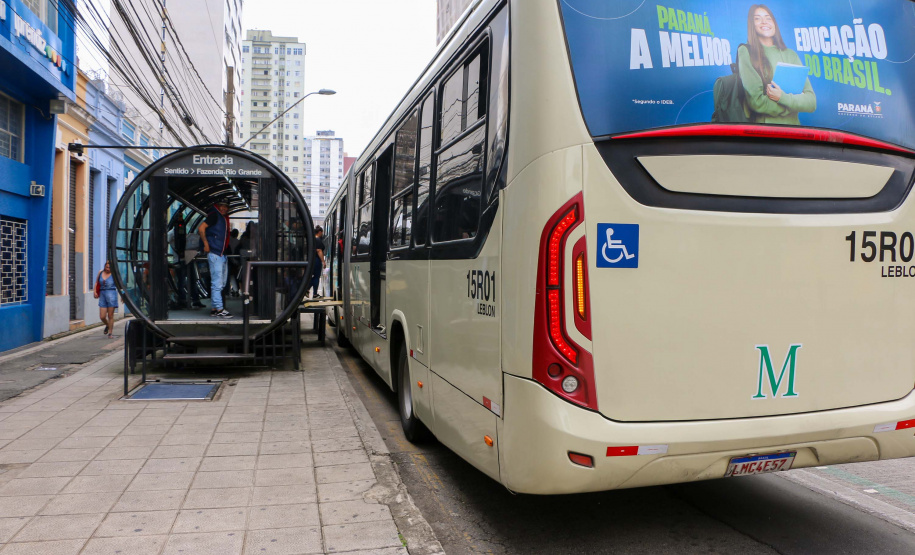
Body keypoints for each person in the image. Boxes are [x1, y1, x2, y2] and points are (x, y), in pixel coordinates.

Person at [738, 4, 816, 125]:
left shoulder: (791, 55)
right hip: (767, 130)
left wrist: (781, 97)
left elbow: (811, 102)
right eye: (757, 18)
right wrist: (792, 104)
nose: (764, 22)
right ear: (752, 24)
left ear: (774, 23)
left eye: (768, 18)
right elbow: (757, 102)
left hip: (794, 129)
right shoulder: (746, 52)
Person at [198, 198, 233, 318]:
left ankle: (214, 308)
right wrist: (206, 244)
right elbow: (201, 228)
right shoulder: (214, 215)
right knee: (217, 283)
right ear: (218, 206)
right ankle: (219, 309)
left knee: (220, 283)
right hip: (215, 253)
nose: (224, 208)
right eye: (222, 205)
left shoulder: (220, 217)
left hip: (221, 254)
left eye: (226, 206)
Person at [168, 212, 203, 309]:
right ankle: (183, 300)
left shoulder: (182, 229)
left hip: (187, 258)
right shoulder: (171, 233)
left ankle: (194, 300)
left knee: (191, 279)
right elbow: (166, 242)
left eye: (182, 217)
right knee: (182, 281)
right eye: (179, 216)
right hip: (180, 259)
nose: (181, 218)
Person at [93, 260, 118, 338]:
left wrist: (123, 295)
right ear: (104, 267)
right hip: (102, 295)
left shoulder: (114, 274)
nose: (108, 269)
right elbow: (97, 282)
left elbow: (119, 285)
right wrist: (95, 291)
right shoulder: (100, 272)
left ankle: (110, 333)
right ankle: (107, 325)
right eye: (106, 267)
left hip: (111, 294)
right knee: (102, 316)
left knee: (110, 315)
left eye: (109, 267)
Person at [309, 226, 325, 298]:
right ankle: (310, 290)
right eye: (322, 232)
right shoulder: (318, 240)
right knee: (316, 277)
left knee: (315, 276)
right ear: (319, 232)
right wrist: (323, 261)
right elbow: (319, 251)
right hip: (317, 260)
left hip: (313, 260)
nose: (322, 234)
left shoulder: (313, 239)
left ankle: (313, 292)